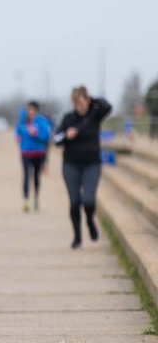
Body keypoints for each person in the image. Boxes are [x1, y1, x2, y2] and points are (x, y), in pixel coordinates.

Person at [53, 86, 112, 249]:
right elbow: (56, 139)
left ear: (86, 100)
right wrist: (66, 136)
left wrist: (92, 100)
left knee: (88, 200)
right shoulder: (68, 118)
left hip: (91, 164)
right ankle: (77, 236)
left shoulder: (95, 116)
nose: (79, 105)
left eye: (82, 101)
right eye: (76, 102)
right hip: (71, 164)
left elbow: (107, 106)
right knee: (74, 202)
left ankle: (90, 221)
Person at [15, 100, 51, 212]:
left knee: (36, 176)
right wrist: (17, 137)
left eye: (32, 109)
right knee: (26, 176)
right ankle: (26, 200)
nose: (30, 111)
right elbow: (17, 131)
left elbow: (46, 136)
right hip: (25, 152)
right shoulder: (22, 121)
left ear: (36, 110)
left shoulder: (42, 122)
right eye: (28, 109)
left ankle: (36, 197)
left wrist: (36, 134)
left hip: (38, 152)